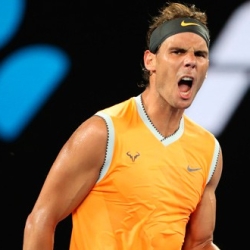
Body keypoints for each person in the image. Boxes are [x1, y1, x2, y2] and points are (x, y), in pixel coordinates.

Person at [23, 2, 223, 249]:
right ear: (151, 61)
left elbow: (200, 243)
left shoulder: (208, 151)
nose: (190, 61)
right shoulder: (102, 133)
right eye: (178, 51)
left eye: (200, 54)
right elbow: (41, 220)